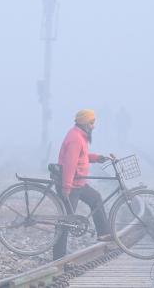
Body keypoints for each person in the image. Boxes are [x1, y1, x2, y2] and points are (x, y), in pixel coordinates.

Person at [53, 109, 111, 260]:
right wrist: (66, 187)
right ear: (84, 123)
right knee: (66, 220)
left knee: (96, 199)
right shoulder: (75, 138)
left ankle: (104, 234)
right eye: (91, 123)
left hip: (78, 183)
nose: (93, 126)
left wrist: (98, 158)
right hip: (70, 185)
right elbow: (70, 164)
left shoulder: (80, 136)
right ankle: (58, 256)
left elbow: (82, 157)